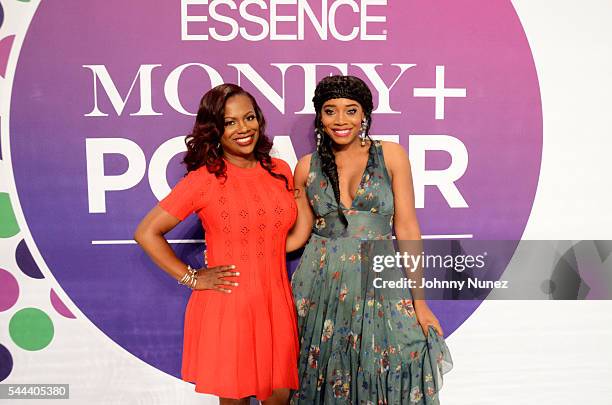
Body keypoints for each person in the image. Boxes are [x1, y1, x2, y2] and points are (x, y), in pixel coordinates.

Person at [286, 75, 453, 404]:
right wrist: (244, 247)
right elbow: (298, 235)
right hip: (318, 287)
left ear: (365, 115)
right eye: (330, 111)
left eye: (351, 110)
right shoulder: (306, 167)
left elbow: (406, 229)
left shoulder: (390, 155)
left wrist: (419, 303)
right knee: (317, 374)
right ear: (319, 116)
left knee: (390, 363)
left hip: (378, 281)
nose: (341, 120)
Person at [134, 84, 298, 405]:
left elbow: (286, 234)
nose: (243, 128)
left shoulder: (280, 171)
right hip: (229, 307)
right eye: (230, 122)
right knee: (234, 399)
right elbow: (147, 232)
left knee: (280, 396)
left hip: (275, 303)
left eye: (249, 117)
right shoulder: (204, 179)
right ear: (214, 130)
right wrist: (193, 278)